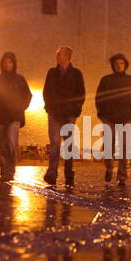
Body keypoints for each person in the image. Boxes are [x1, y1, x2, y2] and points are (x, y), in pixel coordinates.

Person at [0, 51, 32, 183]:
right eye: (5, 61)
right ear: (2, 63)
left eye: (10, 61)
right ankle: (4, 172)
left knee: (11, 142)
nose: (7, 64)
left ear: (14, 63)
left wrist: (20, 107)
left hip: (14, 117)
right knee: (2, 145)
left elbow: (27, 95)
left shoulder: (20, 80)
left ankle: (10, 170)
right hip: (0, 117)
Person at [42, 45, 85, 187]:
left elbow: (81, 93)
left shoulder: (76, 74)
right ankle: (52, 173)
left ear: (67, 56)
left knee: (68, 145)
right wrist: (49, 107)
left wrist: (75, 110)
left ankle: (69, 174)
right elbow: (46, 91)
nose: (57, 56)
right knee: (54, 144)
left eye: (59, 54)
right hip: (54, 113)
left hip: (69, 114)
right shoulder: (52, 73)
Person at [95, 52, 131, 184]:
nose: (119, 66)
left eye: (121, 63)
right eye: (116, 64)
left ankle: (122, 175)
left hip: (126, 118)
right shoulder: (106, 80)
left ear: (125, 65)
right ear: (113, 65)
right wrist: (102, 114)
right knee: (109, 146)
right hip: (109, 118)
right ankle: (109, 168)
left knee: (124, 146)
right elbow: (100, 98)